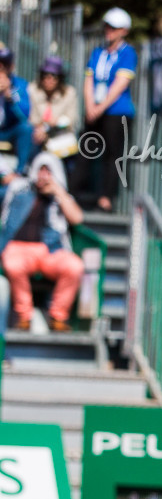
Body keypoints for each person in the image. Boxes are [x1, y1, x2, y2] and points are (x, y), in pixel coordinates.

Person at [0, 153, 82, 331]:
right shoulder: (19, 190)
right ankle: (24, 316)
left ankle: (58, 316)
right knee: (13, 264)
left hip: (50, 250)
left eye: (48, 171)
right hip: (18, 249)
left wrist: (58, 192)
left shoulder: (60, 196)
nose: (43, 175)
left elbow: (76, 218)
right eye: (41, 170)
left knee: (74, 266)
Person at [73, 8, 136, 212]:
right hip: (95, 109)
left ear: (124, 31)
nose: (109, 31)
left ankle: (106, 198)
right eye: (107, 26)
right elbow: (89, 80)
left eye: (114, 28)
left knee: (112, 155)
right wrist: (90, 106)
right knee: (85, 150)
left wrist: (100, 107)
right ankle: (74, 192)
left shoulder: (128, 53)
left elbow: (120, 83)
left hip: (117, 111)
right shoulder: (97, 52)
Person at [31, 57, 81, 162]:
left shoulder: (69, 93)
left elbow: (71, 120)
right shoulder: (33, 90)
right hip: (38, 136)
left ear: (60, 78)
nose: (50, 79)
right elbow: (31, 118)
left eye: (54, 76)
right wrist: (41, 128)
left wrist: (50, 125)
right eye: (46, 75)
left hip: (60, 136)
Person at [0, 49, 32, 173]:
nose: (1, 67)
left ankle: (19, 173)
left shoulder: (20, 84)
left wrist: (10, 95)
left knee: (26, 129)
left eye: (5, 64)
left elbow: (25, 115)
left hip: (8, 131)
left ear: (11, 66)